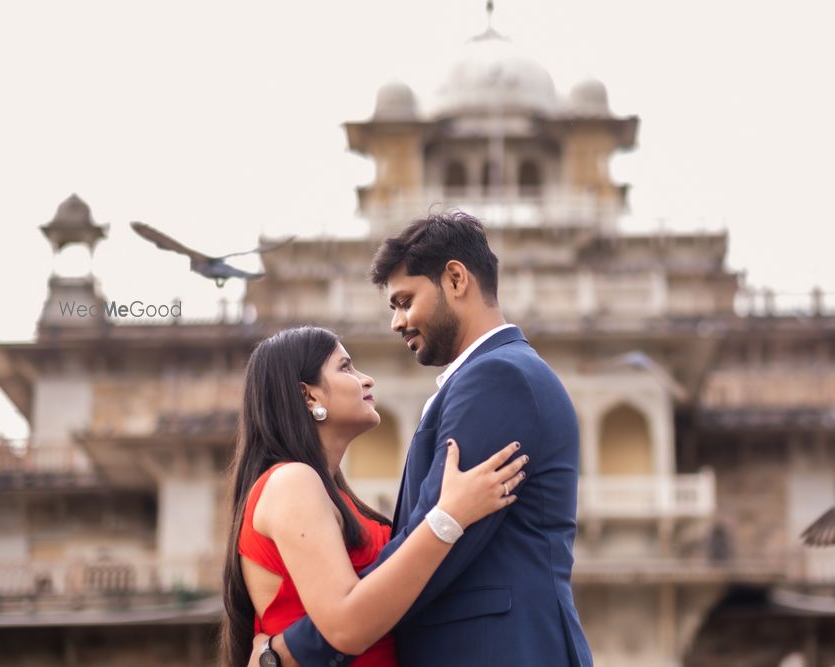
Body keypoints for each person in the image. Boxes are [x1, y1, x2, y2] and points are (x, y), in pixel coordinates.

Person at [254, 211, 593, 667]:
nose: (397, 322)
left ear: (455, 279)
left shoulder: (497, 377)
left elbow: (431, 546)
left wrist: (287, 653)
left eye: (404, 300)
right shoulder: (490, 376)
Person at [221, 325, 529, 667]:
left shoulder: (329, 491)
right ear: (309, 396)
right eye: (345, 367)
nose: (366, 380)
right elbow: (345, 626)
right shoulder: (291, 481)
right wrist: (449, 517)